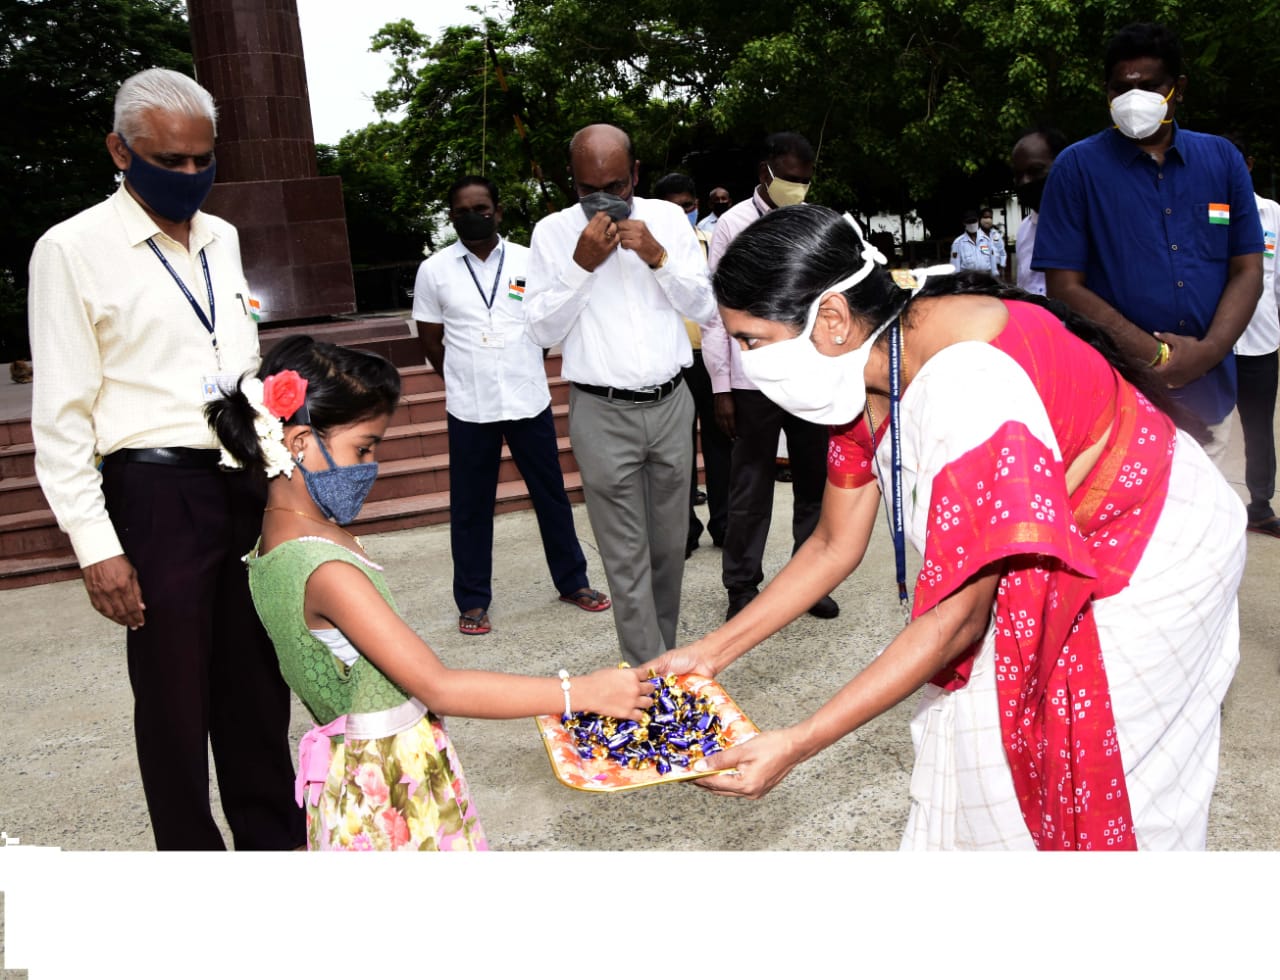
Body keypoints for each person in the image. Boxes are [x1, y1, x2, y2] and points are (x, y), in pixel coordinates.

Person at [658, 204, 1245, 850]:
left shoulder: (967, 387)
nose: (743, 362)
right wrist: (706, 655)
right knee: (985, 749)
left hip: (1151, 552)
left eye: (751, 341)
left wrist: (797, 743)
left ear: (829, 318)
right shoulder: (868, 358)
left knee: (1102, 772)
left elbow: (958, 623)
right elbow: (831, 545)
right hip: (1072, 542)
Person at [207, 336, 653, 850]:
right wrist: (582, 692)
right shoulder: (323, 567)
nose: (370, 466)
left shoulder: (273, 543)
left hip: (360, 773)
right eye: (364, 448)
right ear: (299, 442)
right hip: (389, 794)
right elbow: (438, 686)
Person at [27, 68, 303, 850]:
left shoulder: (224, 238)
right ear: (119, 149)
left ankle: (275, 853)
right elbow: (61, 417)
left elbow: (242, 371)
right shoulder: (73, 250)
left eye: (201, 160)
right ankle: (190, 878)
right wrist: (96, 546)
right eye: (168, 160)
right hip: (152, 495)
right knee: (175, 706)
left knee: (256, 695)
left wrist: (280, 476)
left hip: (240, 483)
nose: (189, 175)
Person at [524, 124, 715, 665]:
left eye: (615, 184)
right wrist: (581, 267)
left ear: (635, 174)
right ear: (573, 184)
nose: (603, 198)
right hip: (601, 411)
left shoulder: (670, 220)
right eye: (589, 190)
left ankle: (664, 659)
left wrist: (659, 258)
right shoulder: (553, 234)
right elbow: (540, 331)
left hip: (673, 402)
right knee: (625, 558)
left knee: (668, 550)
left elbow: (704, 308)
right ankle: (651, 678)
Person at [1034, 22, 1264, 459]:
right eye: (1121, 88)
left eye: (1150, 86)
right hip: (1114, 399)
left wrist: (1208, 352)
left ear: (1178, 88)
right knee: (1124, 523)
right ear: (1106, 92)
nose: (1133, 99)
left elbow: (1247, 269)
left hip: (1208, 393)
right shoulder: (1076, 169)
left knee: (1201, 522)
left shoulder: (1222, 161)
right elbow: (1064, 287)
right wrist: (1159, 358)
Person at [412, 175, 609, 636]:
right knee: (470, 508)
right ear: (451, 217)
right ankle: (473, 601)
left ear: (497, 212)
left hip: (527, 399)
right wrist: (463, 376)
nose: (471, 216)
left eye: (480, 208)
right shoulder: (434, 270)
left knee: (552, 497)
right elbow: (429, 338)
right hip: (470, 407)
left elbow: (543, 324)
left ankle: (572, 582)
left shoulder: (528, 259)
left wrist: (519, 364)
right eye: (461, 211)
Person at [700, 131, 839, 620]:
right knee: (750, 488)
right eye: (790, 178)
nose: (798, 188)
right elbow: (716, 313)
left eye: (805, 180)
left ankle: (809, 581)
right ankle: (742, 586)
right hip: (751, 378)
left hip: (807, 374)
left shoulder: (814, 223)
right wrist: (721, 387)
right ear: (766, 173)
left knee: (813, 483)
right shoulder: (733, 225)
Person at [653, 171, 731, 557]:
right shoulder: (644, 253)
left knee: (720, 445)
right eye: (674, 207)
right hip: (671, 363)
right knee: (675, 453)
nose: (683, 212)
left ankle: (724, 524)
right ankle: (683, 530)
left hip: (711, 358)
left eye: (688, 206)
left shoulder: (711, 243)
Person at [1223, 135, 1280, 536]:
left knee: (1259, 428)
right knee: (1205, 426)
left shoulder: (1273, 213)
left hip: (1261, 342)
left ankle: (1260, 506)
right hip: (1215, 345)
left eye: (1236, 163)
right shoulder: (1208, 212)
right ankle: (1203, 509)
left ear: (1249, 163)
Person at [1010, 125, 1068, 295]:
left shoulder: (1092, 222)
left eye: (1035, 171)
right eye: (1018, 175)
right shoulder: (1024, 231)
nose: (1025, 182)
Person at [949, 209, 999, 276]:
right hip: (968, 282)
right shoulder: (958, 243)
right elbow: (955, 269)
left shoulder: (987, 240)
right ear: (964, 223)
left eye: (974, 221)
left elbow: (993, 263)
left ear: (978, 221)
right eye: (969, 222)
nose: (972, 224)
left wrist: (995, 279)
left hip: (986, 279)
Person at [980, 207, 1007, 279]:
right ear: (980, 219)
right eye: (985, 217)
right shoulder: (977, 236)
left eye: (990, 217)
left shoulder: (996, 235)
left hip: (997, 270)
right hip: (983, 272)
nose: (988, 220)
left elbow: (1002, 251)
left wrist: (1002, 265)